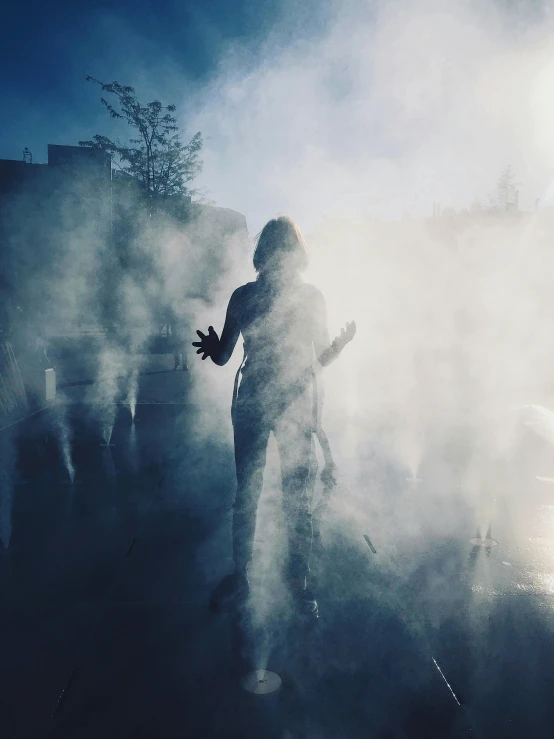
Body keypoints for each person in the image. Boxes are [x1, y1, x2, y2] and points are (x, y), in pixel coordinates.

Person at [193, 216, 355, 616]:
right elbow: (228, 354)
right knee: (260, 493)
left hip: (286, 404)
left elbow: (226, 356)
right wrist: (214, 348)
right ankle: (265, 577)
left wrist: (339, 345)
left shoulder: (283, 297)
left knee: (281, 495)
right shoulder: (248, 297)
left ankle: (282, 576)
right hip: (265, 402)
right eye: (277, 250)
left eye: (285, 250)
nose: (281, 258)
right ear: (268, 254)